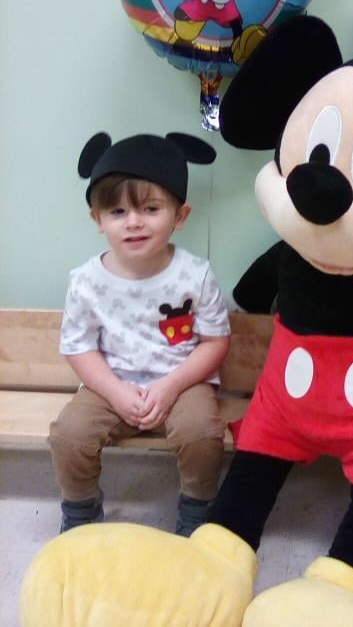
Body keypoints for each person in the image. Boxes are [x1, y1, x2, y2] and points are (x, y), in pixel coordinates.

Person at [48, 132, 230, 536]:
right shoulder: (86, 281)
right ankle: (80, 511)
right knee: (69, 436)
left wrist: (170, 386)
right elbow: (79, 348)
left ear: (180, 216)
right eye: (117, 211)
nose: (133, 222)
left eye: (150, 208)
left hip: (183, 382)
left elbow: (215, 342)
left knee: (202, 434)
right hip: (110, 384)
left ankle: (197, 511)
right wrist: (115, 392)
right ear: (98, 220)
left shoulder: (195, 275)